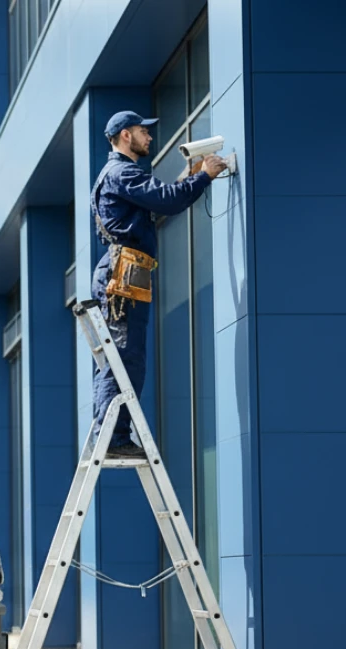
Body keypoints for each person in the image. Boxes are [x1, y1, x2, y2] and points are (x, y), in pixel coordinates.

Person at [90, 110, 227, 458]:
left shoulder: (121, 174)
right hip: (123, 272)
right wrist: (205, 176)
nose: (149, 137)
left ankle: (112, 435)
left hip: (123, 269)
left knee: (121, 357)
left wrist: (191, 177)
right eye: (142, 132)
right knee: (124, 358)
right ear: (124, 136)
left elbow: (160, 202)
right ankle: (113, 439)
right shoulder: (123, 172)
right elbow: (168, 200)